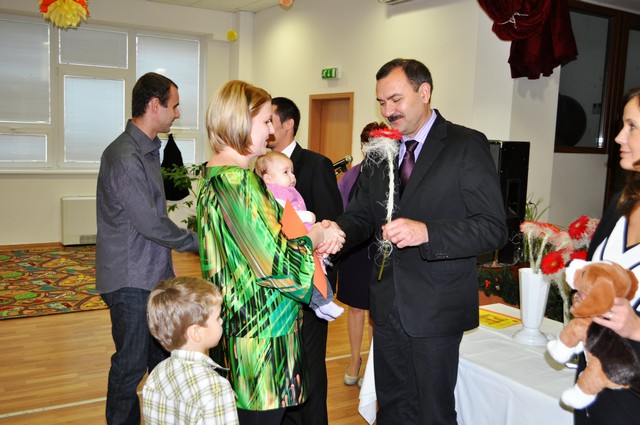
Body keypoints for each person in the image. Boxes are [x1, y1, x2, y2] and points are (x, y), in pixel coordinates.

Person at [333, 58, 507, 424]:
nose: (387, 111)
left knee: (433, 413)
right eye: (381, 102)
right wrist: (332, 233)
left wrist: (427, 232)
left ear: (424, 92)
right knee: (392, 409)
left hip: (436, 307)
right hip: (387, 303)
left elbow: (493, 227)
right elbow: (362, 215)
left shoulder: (465, 144)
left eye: (395, 99)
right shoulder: (380, 150)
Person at [196, 80, 345, 425]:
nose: (271, 132)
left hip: (241, 328)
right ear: (240, 121)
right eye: (265, 121)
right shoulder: (238, 182)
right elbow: (279, 266)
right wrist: (317, 235)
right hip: (261, 339)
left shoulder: (217, 175)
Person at [96, 72, 199, 425]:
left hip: (151, 276)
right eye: (175, 106)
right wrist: (200, 243)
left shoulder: (148, 150)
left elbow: (155, 217)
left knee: (162, 361)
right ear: (155, 105)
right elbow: (151, 224)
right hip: (130, 281)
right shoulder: (125, 157)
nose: (178, 114)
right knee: (130, 367)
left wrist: (169, 268)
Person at [268, 96, 343, 425]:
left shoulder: (315, 164)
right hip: (277, 288)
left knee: (310, 367)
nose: (267, 128)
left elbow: (331, 220)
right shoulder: (261, 166)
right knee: (284, 370)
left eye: (270, 121)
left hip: (310, 283)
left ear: (288, 124)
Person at [574, 87, 640, 425]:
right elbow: (591, 271)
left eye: (632, 126)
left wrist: (637, 327)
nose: (617, 137)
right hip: (592, 389)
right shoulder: (620, 203)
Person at [254, 151, 345, 321]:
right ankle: (323, 303)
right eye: (285, 172)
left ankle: (321, 304)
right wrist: (308, 217)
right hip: (294, 244)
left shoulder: (287, 191)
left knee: (315, 272)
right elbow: (283, 213)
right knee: (310, 274)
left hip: (304, 240)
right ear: (268, 179)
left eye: (292, 172)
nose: (292, 176)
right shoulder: (273, 193)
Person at [143, 276, 239, 425]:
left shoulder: (157, 374)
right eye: (217, 318)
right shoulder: (216, 389)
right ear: (196, 332)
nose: (221, 321)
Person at [336, 121, 386, 386]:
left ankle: (374, 366)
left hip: (381, 249)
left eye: (374, 143)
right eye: (365, 143)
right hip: (355, 249)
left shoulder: (391, 173)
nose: (369, 148)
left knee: (376, 311)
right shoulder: (351, 175)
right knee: (355, 307)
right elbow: (344, 210)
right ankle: (354, 360)